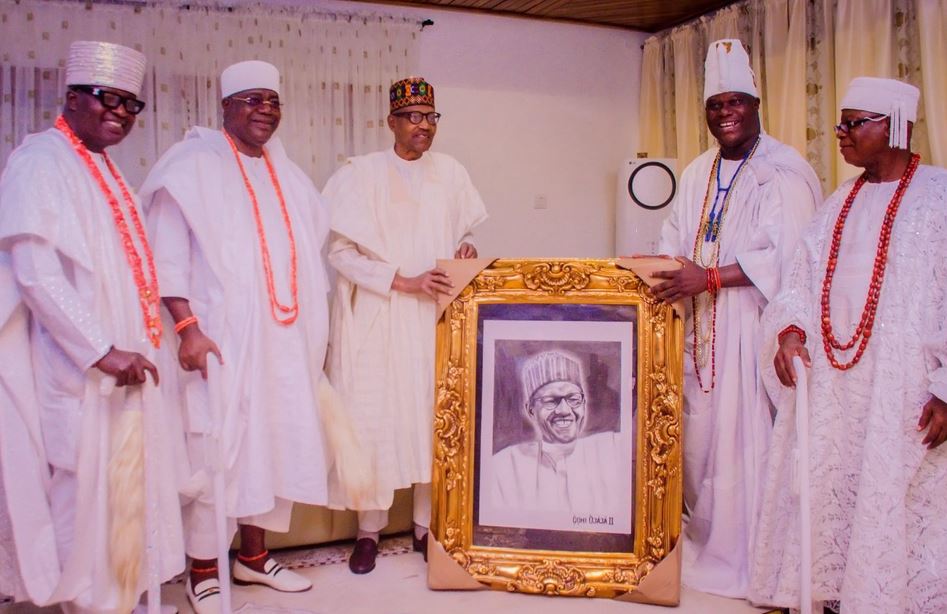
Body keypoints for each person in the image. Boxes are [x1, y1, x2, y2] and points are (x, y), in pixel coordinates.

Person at [749, 77, 947, 614]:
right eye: (840, 121)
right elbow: (800, 281)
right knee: (832, 493)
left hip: (904, 390)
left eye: (854, 123)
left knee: (905, 501)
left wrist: (945, 389)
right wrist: (789, 332)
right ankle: (837, 596)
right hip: (838, 388)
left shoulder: (939, 197)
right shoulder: (840, 201)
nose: (840, 133)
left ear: (897, 126)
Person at [0, 41, 185, 612]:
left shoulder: (106, 169)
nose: (121, 113)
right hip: (75, 366)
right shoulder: (40, 161)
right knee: (81, 489)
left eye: (132, 104)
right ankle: (83, 603)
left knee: (123, 485)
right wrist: (101, 349)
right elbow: (34, 269)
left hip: (125, 360)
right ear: (73, 97)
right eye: (108, 98)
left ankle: (118, 598)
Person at [140, 60, 329, 612]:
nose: (264, 108)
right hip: (219, 342)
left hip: (284, 340)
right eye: (251, 99)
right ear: (225, 107)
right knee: (217, 448)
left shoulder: (289, 174)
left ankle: (252, 558)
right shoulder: (193, 165)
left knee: (277, 439)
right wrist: (187, 328)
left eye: (272, 99)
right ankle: (204, 568)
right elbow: (165, 256)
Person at [651, 39, 822, 598]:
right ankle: (706, 541)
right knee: (701, 438)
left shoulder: (783, 169)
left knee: (747, 440)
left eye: (735, 103)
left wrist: (712, 278)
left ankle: (756, 553)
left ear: (755, 103)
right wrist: (673, 275)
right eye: (715, 105)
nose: (725, 114)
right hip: (701, 328)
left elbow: (789, 253)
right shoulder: (698, 170)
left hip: (754, 325)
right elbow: (673, 240)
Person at [323, 75, 487, 574]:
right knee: (373, 421)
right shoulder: (360, 174)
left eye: (431, 118)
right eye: (413, 118)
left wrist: (465, 251)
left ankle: (424, 528)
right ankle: (368, 533)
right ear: (391, 121)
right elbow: (339, 252)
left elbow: (461, 237)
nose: (424, 127)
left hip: (434, 317)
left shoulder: (452, 172)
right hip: (380, 317)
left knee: (431, 419)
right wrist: (400, 280)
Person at [490, 351, 623, 514]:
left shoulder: (614, 449)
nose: (564, 410)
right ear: (531, 411)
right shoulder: (503, 467)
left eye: (573, 399)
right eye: (550, 401)